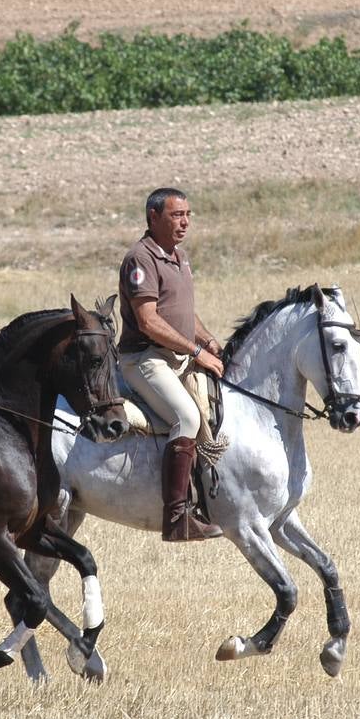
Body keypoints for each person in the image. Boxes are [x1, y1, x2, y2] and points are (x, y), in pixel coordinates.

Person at [117, 187, 224, 542]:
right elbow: (148, 321)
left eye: (188, 215)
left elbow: (182, 314)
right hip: (144, 358)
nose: (185, 222)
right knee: (188, 418)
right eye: (177, 215)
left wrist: (208, 340)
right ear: (153, 217)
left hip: (175, 356)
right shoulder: (140, 258)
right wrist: (197, 353)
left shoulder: (178, 257)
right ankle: (178, 519)